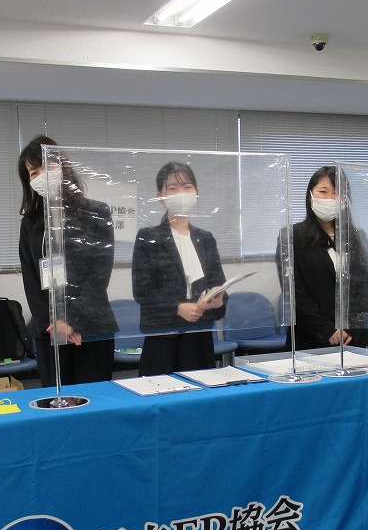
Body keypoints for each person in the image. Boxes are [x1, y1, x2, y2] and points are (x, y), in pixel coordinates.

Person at [17, 135, 117, 387]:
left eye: (46, 166)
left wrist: (72, 320)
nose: (41, 176)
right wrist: (52, 323)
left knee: (95, 403)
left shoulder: (97, 212)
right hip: (50, 332)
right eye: (33, 172)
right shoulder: (30, 224)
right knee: (56, 403)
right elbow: (30, 277)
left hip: (91, 327)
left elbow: (99, 274)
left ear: (63, 165)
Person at [132, 162, 226, 376]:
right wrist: (177, 307)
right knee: (161, 393)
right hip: (162, 336)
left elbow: (218, 284)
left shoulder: (206, 238)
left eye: (187, 187)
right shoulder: (148, 238)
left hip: (199, 335)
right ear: (160, 196)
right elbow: (142, 290)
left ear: (196, 192)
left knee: (201, 393)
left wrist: (218, 301)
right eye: (173, 188)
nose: (181, 193)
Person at [286, 166, 368, 350]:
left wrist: (351, 328)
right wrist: (326, 330)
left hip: (353, 339)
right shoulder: (291, 236)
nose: (330, 199)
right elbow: (294, 291)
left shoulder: (357, 237)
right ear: (310, 195)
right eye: (323, 191)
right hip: (310, 339)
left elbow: (366, 286)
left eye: (337, 193)